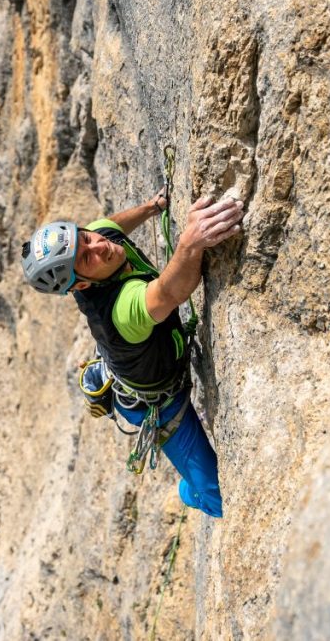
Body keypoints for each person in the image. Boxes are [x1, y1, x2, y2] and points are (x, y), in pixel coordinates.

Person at [20, 189, 244, 517]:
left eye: (84, 237)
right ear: (81, 285)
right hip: (162, 406)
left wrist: (152, 208)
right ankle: (187, 492)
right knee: (219, 501)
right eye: (85, 258)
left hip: (153, 369)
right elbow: (169, 292)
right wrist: (190, 243)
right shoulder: (120, 311)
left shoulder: (96, 239)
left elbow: (111, 225)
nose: (99, 246)